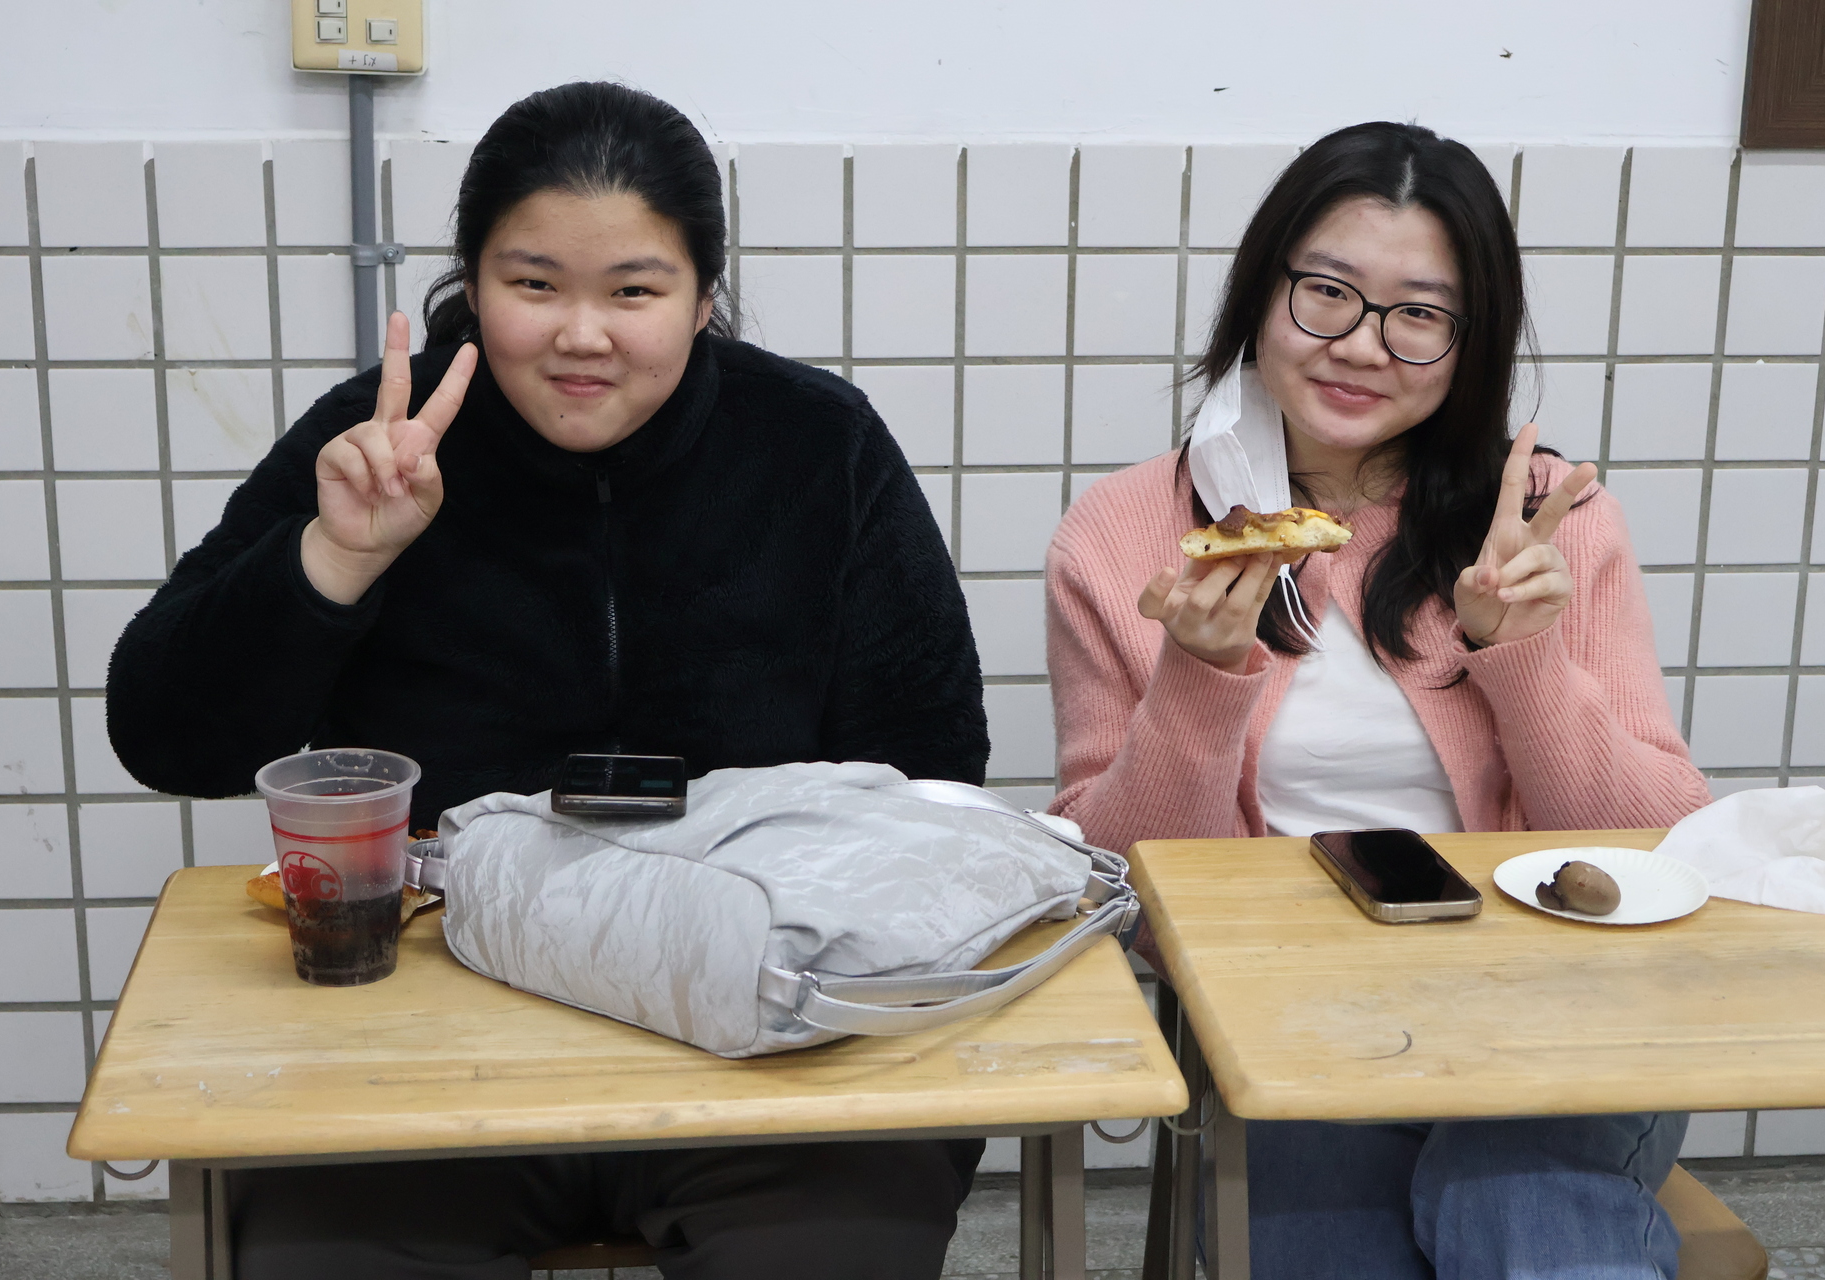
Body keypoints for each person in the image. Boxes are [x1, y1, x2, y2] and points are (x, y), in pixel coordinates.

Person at [107, 81, 988, 1280]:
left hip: (764, 1028)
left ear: (703, 298)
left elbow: (931, 760)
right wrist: (334, 558)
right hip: (424, 1032)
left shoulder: (816, 443)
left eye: (633, 291)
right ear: (474, 286)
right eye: (534, 285)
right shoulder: (383, 439)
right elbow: (163, 733)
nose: (583, 334)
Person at [1044, 122, 1713, 1280]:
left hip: (1563, 1006)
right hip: (1293, 1019)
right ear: (1263, 294)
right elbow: (1125, 898)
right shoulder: (1126, 533)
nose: (1362, 344)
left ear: (1470, 342)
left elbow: (1662, 838)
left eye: (1419, 314)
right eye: (1327, 293)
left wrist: (1524, 657)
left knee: (1524, 1216)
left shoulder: (1545, 519)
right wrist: (1196, 682)